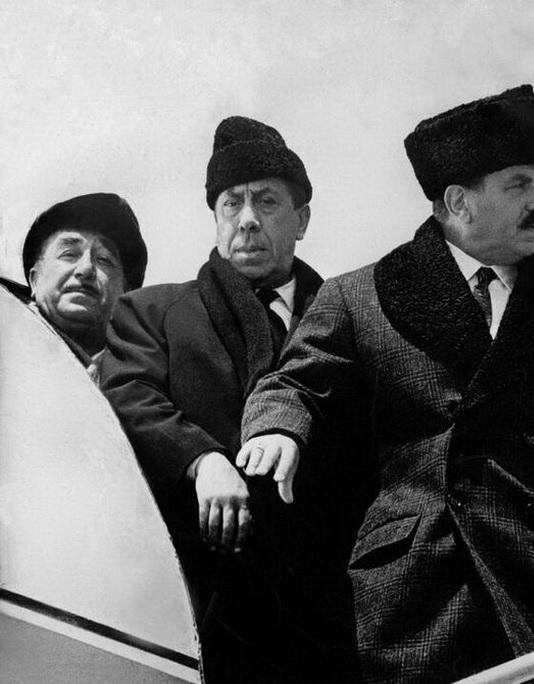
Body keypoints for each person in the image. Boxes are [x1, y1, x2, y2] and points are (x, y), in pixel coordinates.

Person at [238, 85, 534, 683]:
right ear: (458, 202)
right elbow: (294, 382)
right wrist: (278, 429)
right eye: (519, 185)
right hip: (419, 598)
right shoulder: (359, 296)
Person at [100, 116, 347, 681]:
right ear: (215, 218)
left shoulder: (349, 317)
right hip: (203, 603)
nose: (248, 219)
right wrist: (202, 458)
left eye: (267, 201)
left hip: (336, 609)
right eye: (232, 203)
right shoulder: (151, 311)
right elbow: (127, 394)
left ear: (302, 219)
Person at [23, 192, 147, 381]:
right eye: (69, 254)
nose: (86, 268)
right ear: (35, 279)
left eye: (104, 259)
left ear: (127, 292)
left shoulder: (145, 376)